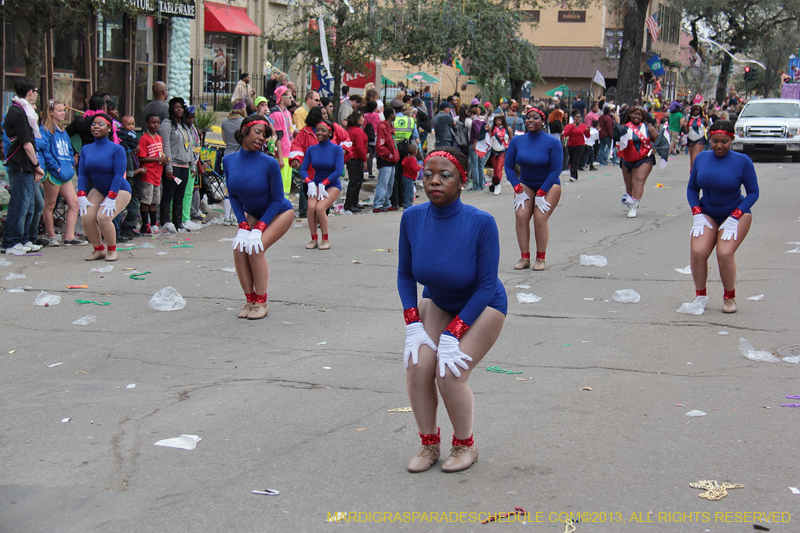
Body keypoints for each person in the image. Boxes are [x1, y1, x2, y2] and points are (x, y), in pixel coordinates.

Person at [398, 146, 507, 473]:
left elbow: (487, 285)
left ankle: (464, 446)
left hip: (482, 305)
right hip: (439, 300)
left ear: (462, 181)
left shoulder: (481, 223)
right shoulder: (411, 217)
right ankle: (429, 444)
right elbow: (405, 274)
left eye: (445, 176)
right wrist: (412, 324)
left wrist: (454, 333)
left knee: (449, 372)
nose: (434, 181)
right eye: (428, 174)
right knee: (419, 365)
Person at [226, 115, 295, 319]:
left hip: (279, 212)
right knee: (239, 250)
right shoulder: (228, 160)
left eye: (265, 136)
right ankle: (250, 300)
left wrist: (259, 227)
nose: (262, 138)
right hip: (253, 213)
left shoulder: (269, 163)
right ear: (244, 131)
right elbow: (234, 195)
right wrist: (242, 224)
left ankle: (261, 302)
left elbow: (276, 200)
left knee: (256, 249)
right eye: (258, 132)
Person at [687, 121, 758, 314]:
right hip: (707, 213)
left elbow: (753, 192)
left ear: (732, 140)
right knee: (698, 252)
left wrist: (735, 215)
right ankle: (700, 295)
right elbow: (693, 188)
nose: (719, 145)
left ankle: (729, 297)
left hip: (736, 213)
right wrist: (696, 212)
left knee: (724, 254)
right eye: (715, 141)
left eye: (724, 141)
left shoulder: (743, 161)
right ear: (709, 139)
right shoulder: (701, 158)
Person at [505, 107, 563, 271]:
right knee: (521, 216)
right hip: (526, 183)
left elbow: (555, 170)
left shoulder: (553, 142)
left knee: (539, 217)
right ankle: (524, 258)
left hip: (549, 184)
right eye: (528, 117)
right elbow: (509, 167)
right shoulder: (517, 141)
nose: (530, 120)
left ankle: (541, 258)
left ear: (543, 121)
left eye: (535, 117)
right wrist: (517, 188)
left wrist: (542, 193)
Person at [77, 113, 132, 262]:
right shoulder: (86, 149)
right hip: (100, 189)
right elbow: (82, 174)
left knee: (103, 217)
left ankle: (112, 250)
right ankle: (98, 249)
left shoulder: (117, 149)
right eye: (94, 124)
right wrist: (81, 195)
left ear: (109, 128)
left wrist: (112, 197)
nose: (96, 126)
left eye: (100, 124)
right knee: (87, 217)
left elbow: (118, 175)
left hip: (119, 189)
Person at [2, 77, 46, 255]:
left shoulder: (24, 111)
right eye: (35, 91)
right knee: (19, 203)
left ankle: (23, 239)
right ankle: (11, 241)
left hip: (25, 164)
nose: (36, 95)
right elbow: (27, 143)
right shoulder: (18, 112)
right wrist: (36, 164)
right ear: (30, 92)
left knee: (28, 203)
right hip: (19, 163)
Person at [39, 99, 87, 247]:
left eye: (64, 110)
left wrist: (71, 162)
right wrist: (56, 167)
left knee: (74, 204)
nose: (63, 113)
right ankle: (52, 236)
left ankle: (70, 237)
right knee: (50, 204)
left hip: (66, 173)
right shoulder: (45, 130)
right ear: (51, 112)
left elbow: (69, 148)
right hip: (53, 174)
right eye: (59, 110)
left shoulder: (63, 131)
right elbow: (44, 151)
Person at [300, 120, 343, 250]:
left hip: (332, 185)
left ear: (330, 132)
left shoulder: (336, 149)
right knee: (311, 208)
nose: (319, 132)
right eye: (317, 130)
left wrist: (325, 182)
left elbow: (338, 171)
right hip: (316, 184)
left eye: (323, 130)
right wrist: (309, 181)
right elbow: (303, 169)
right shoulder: (311, 149)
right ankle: (314, 239)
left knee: (320, 208)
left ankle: (325, 239)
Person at [617, 106, 659, 218]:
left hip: (645, 158)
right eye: (635, 114)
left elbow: (658, 140)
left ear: (643, 117)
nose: (637, 116)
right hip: (627, 159)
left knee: (638, 180)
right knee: (629, 184)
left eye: (639, 115)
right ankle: (631, 203)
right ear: (630, 115)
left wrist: (656, 148)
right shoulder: (624, 128)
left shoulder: (648, 128)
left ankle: (635, 205)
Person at [158, 97, 192, 232]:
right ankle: (166, 223)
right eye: (176, 107)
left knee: (180, 196)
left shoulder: (184, 126)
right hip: (173, 166)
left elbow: (190, 147)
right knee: (168, 195)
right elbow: (165, 147)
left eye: (181, 107)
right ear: (171, 109)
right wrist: (168, 167)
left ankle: (178, 224)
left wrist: (192, 165)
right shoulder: (166, 125)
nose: (179, 110)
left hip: (184, 166)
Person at [116, 115, 145, 241]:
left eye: (133, 124)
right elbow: (129, 172)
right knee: (128, 210)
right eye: (129, 124)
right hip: (128, 183)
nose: (132, 126)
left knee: (133, 210)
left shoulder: (133, 155)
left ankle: (128, 228)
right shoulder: (125, 150)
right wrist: (139, 171)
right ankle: (123, 228)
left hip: (135, 185)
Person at [137, 114, 166, 234]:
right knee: (146, 200)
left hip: (157, 174)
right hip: (148, 173)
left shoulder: (159, 137)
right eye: (153, 122)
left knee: (154, 201)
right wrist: (157, 159)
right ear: (147, 124)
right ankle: (145, 225)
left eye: (158, 122)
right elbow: (141, 158)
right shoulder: (144, 138)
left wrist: (163, 159)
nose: (156, 125)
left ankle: (154, 224)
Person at [373, 106, 399, 213]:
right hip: (386, 159)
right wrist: (389, 155)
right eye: (394, 113)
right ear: (390, 115)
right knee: (383, 183)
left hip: (391, 159)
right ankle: (378, 204)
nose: (395, 115)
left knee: (389, 183)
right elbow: (380, 145)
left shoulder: (390, 126)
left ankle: (386, 203)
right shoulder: (383, 127)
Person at [344, 111, 368, 212]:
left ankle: (353, 202)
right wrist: (365, 160)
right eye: (362, 118)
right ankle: (350, 204)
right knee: (355, 181)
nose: (363, 120)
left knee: (355, 181)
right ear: (358, 120)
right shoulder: (358, 131)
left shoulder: (350, 130)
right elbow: (360, 147)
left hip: (351, 158)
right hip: (355, 158)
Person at [562, 110, 590, 182]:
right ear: (573, 118)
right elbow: (566, 134)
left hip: (580, 144)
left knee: (576, 159)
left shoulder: (583, 126)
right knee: (571, 159)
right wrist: (572, 127)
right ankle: (574, 174)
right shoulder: (569, 126)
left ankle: (573, 175)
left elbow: (587, 136)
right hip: (571, 144)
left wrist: (588, 131)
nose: (578, 119)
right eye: (576, 117)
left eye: (579, 117)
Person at [488, 115, 511, 196]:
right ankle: (495, 184)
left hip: (503, 151)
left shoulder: (508, 129)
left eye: (499, 120)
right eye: (496, 120)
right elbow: (488, 138)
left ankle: (498, 186)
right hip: (494, 151)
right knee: (495, 169)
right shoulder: (492, 129)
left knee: (499, 168)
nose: (498, 122)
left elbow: (511, 139)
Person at [686, 104, 708, 170]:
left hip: (700, 138)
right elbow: (686, 131)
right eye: (695, 110)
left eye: (698, 110)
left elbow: (707, 127)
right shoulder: (688, 119)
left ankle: (695, 171)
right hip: (690, 138)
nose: (696, 112)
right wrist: (684, 125)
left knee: (695, 156)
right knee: (691, 157)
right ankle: (692, 170)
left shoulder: (703, 119)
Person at [363, 101, 381, 179]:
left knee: (370, 155)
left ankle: (370, 173)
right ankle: (380, 172)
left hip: (368, 136)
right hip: (377, 137)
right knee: (379, 155)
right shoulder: (379, 116)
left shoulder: (364, 116)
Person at [400, 142, 421, 208]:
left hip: (405, 176)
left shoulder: (406, 158)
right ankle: (408, 206)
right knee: (410, 193)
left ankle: (406, 204)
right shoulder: (413, 159)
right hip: (409, 177)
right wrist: (419, 167)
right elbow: (414, 168)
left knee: (406, 191)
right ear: (415, 152)